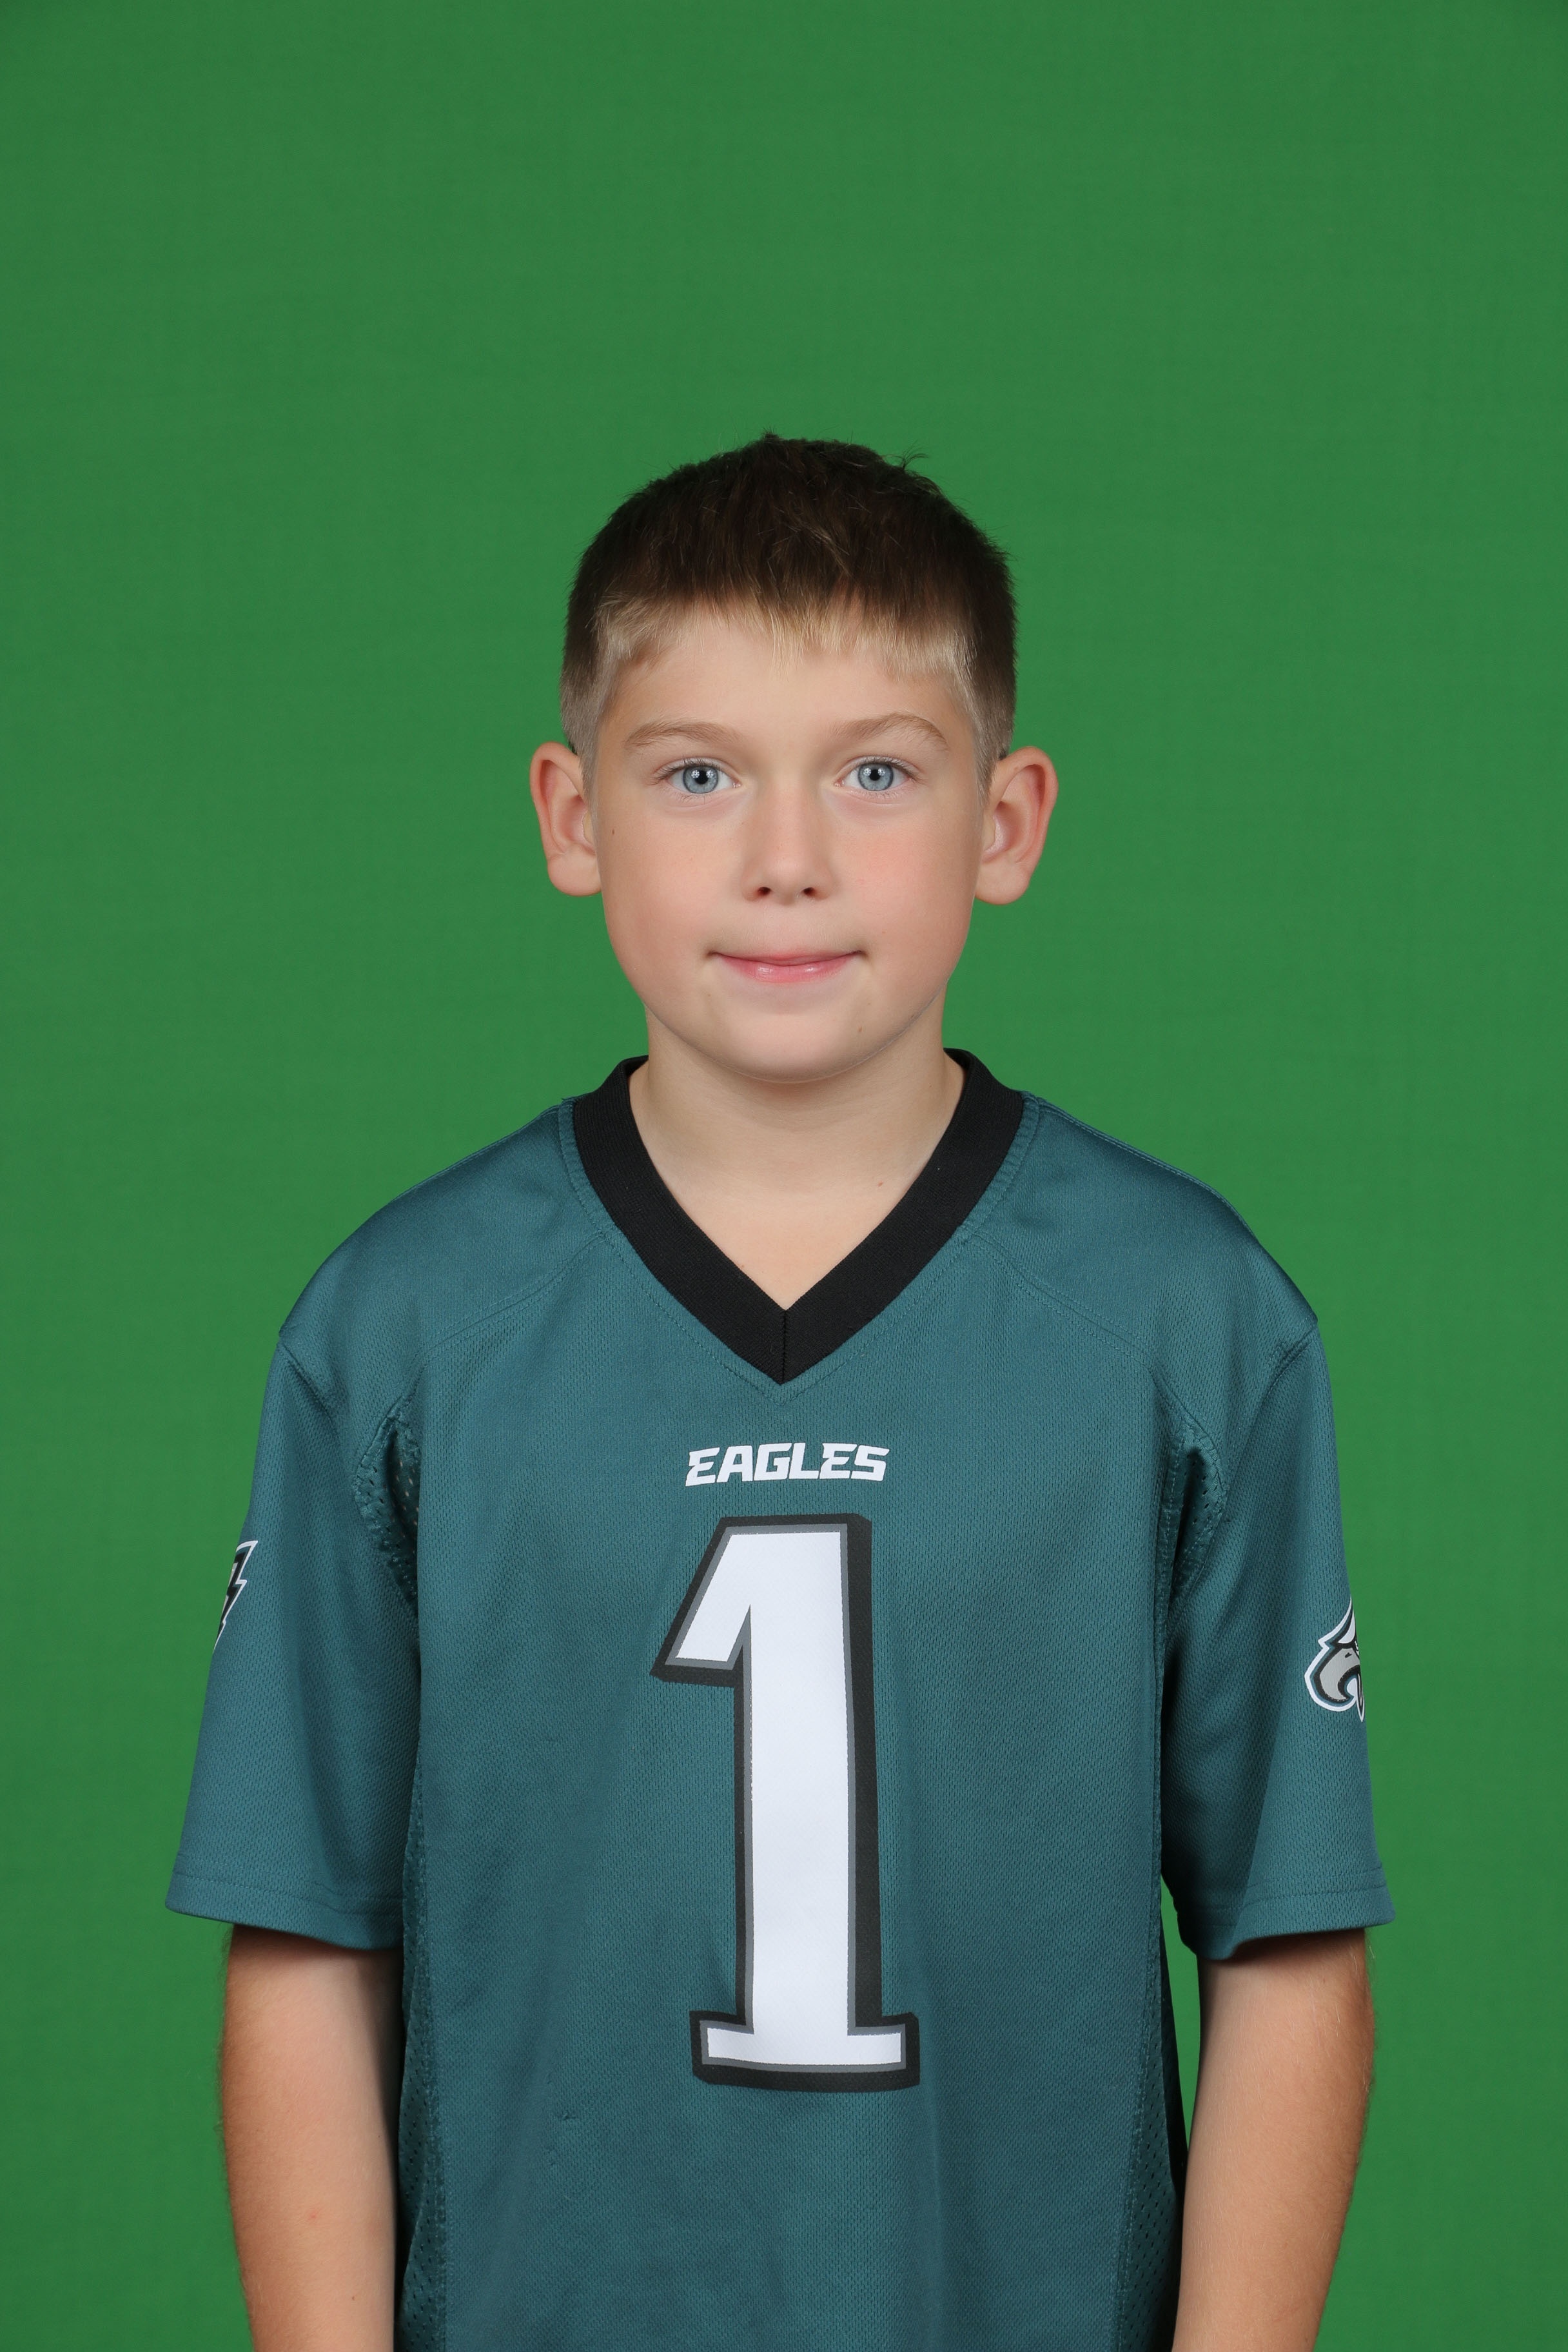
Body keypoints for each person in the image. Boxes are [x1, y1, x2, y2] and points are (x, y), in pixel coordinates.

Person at [170, 435, 1391, 2352]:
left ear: (1008, 821)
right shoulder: (405, 1327)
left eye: (878, 772)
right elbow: (307, 1936)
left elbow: (1292, 1935)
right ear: (573, 814)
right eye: (698, 774)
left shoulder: (1186, 1319)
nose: (788, 856)